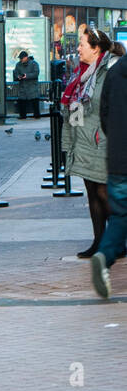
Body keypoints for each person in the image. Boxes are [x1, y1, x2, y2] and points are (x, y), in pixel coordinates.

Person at [61, 27, 114, 260]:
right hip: (82, 139)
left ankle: (117, 239)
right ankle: (99, 241)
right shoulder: (80, 73)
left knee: (103, 192)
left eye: (83, 44)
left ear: (96, 48)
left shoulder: (110, 71)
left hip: (102, 140)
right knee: (92, 193)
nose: (78, 48)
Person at [91, 50, 127, 299]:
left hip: (118, 158)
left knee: (120, 214)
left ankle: (104, 255)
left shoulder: (114, 72)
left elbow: (104, 116)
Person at [13, 50, 41, 118]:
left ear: (26, 57)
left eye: (22, 58)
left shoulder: (34, 64)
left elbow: (36, 73)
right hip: (23, 86)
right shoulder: (18, 64)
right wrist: (18, 77)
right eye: (20, 58)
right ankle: (22, 115)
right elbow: (15, 73)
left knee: (35, 101)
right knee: (22, 101)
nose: (21, 59)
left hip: (32, 86)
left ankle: (37, 115)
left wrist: (27, 76)